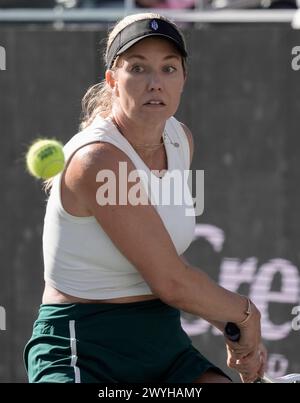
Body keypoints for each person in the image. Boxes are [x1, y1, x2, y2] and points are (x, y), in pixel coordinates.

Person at [24, 12, 266, 383]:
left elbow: (163, 260)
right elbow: (170, 280)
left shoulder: (180, 139)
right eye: (137, 69)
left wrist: (235, 332)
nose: (155, 83)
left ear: (184, 78)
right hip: (82, 345)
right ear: (112, 81)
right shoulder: (96, 160)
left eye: (169, 69)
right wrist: (245, 315)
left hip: (162, 342)